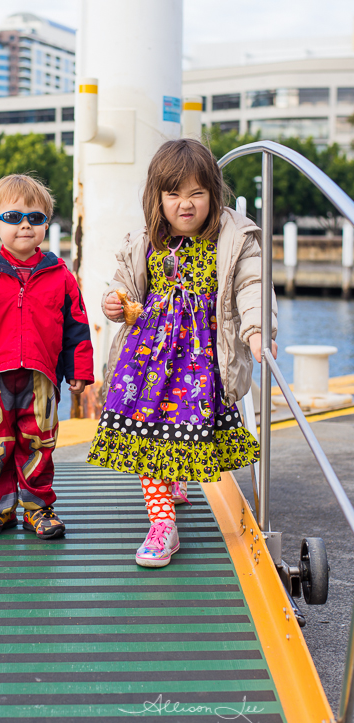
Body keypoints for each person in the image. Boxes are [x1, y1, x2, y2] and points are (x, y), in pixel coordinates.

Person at [87, 139, 278, 567]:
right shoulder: (145, 241)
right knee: (149, 433)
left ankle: (172, 482)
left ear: (214, 193)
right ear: (157, 197)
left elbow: (251, 286)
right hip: (146, 361)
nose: (185, 204)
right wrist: (113, 303)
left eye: (196, 193)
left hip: (198, 362)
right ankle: (162, 524)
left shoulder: (232, 240)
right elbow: (123, 286)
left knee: (181, 427)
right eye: (173, 194)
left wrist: (256, 329)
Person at [0, 174, 94, 539]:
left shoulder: (60, 275)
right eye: (13, 218)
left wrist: (79, 370)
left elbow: (76, 326)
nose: (25, 224)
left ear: (47, 223)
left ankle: (38, 508)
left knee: (39, 442)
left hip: (42, 375)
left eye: (35, 217)